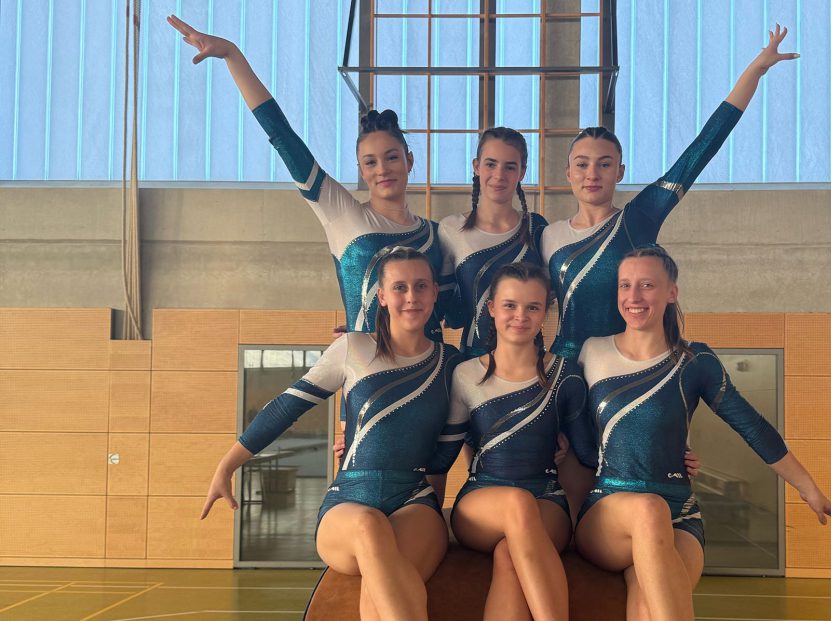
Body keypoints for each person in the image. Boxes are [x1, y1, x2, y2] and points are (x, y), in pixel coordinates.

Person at [570, 245, 831, 621]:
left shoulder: (695, 361)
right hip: (610, 508)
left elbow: (751, 425)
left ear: (671, 292)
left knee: (648, 604)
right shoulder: (592, 352)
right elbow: (574, 429)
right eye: (625, 285)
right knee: (648, 509)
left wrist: (806, 485)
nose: (633, 296)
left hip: (680, 513)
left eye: (647, 285)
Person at [201, 248, 463, 621]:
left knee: (381, 591)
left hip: (414, 501)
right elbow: (285, 408)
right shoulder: (353, 347)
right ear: (382, 296)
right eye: (400, 287)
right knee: (369, 527)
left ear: (435, 292)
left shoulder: (450, 363)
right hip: (348, 501)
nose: (411, 297)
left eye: (421, 286)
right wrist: (226, 466)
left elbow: (449, 448)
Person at [168, 15, 450, 338]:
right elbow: (283, 137)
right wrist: (233, 55)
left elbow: (450, 313)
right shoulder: (343, 214)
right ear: (361, 170)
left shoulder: (435, 235)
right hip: (365, 368)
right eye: (370, 162)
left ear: (409, 160)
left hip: (430, 367)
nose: (383, 169)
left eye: (392, 157)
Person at [542, 24, 800, 360]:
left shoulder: (639, 217)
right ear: (568, 173)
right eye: (582, 164)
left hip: (623, 365)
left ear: (620, 172)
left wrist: (755, 71)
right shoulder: (548, 235)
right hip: (563, 367)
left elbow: (702, 148)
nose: (592, 174)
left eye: (605, 164)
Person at [448, 263, 586, 621]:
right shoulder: (465, 374)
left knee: (510, 555)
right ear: (492, 308)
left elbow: (586, 454)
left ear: (545, 312)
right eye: (510, 305)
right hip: (481, 500)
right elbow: (442, 448)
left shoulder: (566, 374)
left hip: (547, 500)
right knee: (517, 503)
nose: (520, 316)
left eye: (532, 307)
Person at [438, 129, 548, 358]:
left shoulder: (537, 228)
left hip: (528, 359)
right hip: (473, 359)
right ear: (476, 166)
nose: (499, 175)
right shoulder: (451, 229)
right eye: (491, 164)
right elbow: (442, 308)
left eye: (510, 167)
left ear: (522, 172)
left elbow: (550, 296)